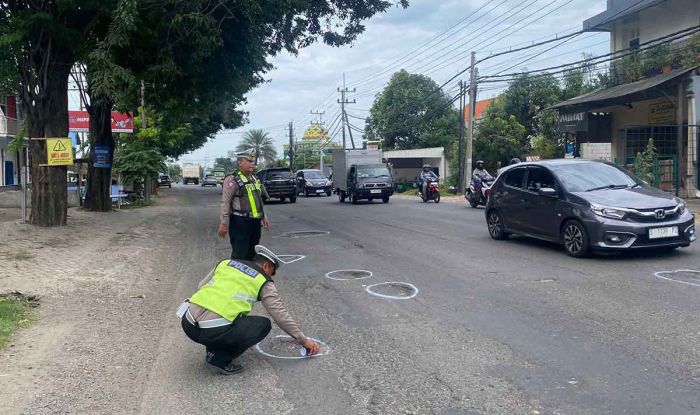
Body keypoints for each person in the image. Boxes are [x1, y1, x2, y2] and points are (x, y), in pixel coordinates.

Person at [179, 245, 321, 375]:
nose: (271, 276)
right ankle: (218, 359)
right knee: (262, 325)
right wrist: (302, 339)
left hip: (188, 323)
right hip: (211, 331)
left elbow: (201, 285)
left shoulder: (226, 263)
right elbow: (279, 314)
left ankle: (213, 347)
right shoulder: (263, 280)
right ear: (266, 266)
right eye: (272, 272)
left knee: (228, 318)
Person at [218, 149, 270, 260]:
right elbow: (225, 202)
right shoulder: (232, 179)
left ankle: (249, 277)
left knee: (253, 254)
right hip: (240, 223)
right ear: (240, 162)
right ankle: (236, 276)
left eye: (253, 161)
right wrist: (224, 223)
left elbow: (258, 199)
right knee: (240, 255)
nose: (252, 164)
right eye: (249, 161)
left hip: (255, 222)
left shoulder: (254, 178)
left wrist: (264, 216)